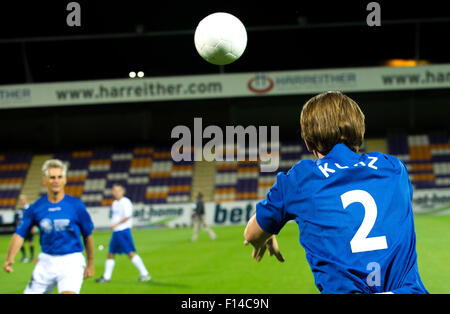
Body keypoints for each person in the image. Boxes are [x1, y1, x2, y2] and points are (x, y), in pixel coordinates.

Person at [244, 91, 428, 294]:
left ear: (308, 142)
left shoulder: (301, 179)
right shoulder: (394, 168)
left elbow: (251, 234)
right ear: (360, 132)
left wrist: (266, 234)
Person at [4, 159, 95, 294]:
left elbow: (87, 235)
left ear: (65, 180)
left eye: (59, 177)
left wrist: (90, 263)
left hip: (72, 260)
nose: (56, 181)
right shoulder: (35, 207)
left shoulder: (76, 206)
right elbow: (20, 233)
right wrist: (10, 258)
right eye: (52, 177)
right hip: (46, 261)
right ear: (45, 181)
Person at [96, 183, 150, 283]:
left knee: (130, 253)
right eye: (114, 191)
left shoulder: (126, 202)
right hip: (116, 232)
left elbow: (127, 217)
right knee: (110, 253)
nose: (116, 193)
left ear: (122, 192)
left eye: (118, 191)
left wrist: (115, 224)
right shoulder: (114, 203)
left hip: (123, 231)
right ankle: (106, 277)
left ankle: (145, 273)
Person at [13, 194, 36, 263]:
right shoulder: (19, 210)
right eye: (21, 200)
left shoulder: (30, 208)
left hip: (29, 229)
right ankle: (24, 256)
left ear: (25, 199)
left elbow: (34, 218)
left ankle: (32, 257)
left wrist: (34, 227)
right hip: (22, 230)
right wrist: (18, 229)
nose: (22, 201)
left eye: (23, 199)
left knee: (31, 243)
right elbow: (17, 221)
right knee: (20, 243)